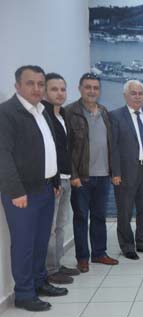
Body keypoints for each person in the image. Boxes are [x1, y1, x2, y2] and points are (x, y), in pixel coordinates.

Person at [0, 65, 67, 311]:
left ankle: (40, 282)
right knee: (24, 244)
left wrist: (55, 181)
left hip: (46, 188)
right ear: (17, 86)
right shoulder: (7, 113)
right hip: (23, 193)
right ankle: (25, 294)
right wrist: (16, 191)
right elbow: (3, 156)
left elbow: (50, 148)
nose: (37, 88)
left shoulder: (42, 111)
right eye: (30, 83)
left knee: (40, 241)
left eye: (40, 84)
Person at [65, 73, 118, 272]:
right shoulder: (70, 112)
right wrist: (73, 175)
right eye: (88, 87)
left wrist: (113, 171)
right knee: (81, 218)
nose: (92, 91)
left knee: (99, 217)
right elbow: (66, 148)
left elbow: (111, 144)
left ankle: (99, 253)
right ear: (80, 89)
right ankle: (82, 258)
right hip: (82, 177)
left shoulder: (104, 112)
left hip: (103, 176)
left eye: (95, 88)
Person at [110, 80, 143, 259]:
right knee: (125, 212)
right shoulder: (116, 116)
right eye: (133, 93)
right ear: (125, 95)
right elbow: (113, 147)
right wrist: (115, 172)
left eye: (140, 93)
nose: (138, 96)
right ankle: (127, 246)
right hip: (125, 173)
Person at [42, 73, 80, 284]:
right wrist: (55, 180)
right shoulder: (43, 116)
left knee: (60, 225)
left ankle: (57, 263)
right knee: (49, 228)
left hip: (66, 178)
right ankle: (50, 270)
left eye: (62, 89)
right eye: (54, 89)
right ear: (45, 92)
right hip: (53, 182)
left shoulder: (63, 115)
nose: (59, 93)